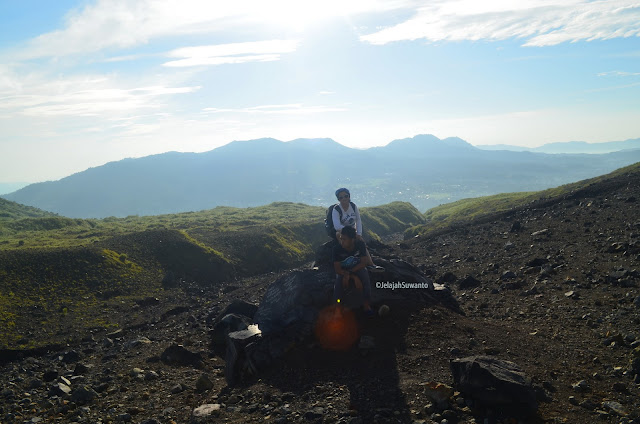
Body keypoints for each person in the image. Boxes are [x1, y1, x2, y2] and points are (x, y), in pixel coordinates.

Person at [332, 225, 374, 316]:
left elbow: (364, 263)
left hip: (357, 268)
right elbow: (337, 269)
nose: (341, 242)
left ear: (352, 239)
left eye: (344, 239)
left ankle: (366, 305)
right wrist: (353, 277)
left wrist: (352, 273)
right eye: (341, 239)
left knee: (365, 276)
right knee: (338, 284)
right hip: (343, 271)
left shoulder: (360, 245)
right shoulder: (336, 249)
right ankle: (338, 308)